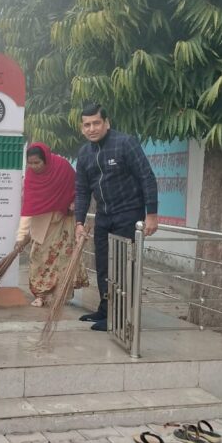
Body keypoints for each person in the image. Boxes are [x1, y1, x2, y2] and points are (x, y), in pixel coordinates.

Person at [74, 104, 159, 331]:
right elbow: (82, 190)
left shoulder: (125, 143)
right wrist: (79, 222)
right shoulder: (84, 153)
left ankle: (119, 317)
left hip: (128, 214)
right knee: (103, 265)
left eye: (96, 123)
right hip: (103, 216)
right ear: (82, 128)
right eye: (87, 125)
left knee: (122, 265)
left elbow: (146, 177)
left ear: (107, 123)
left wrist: (151, 214)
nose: (92, 128)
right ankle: (106, 309)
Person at [17, 143, 87, 306]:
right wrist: (21, 237)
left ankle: (60, 294)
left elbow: (77, 188)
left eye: (37, 162)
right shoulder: (31, 177)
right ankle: (40, 294)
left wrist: (74, 203)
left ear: (46, 159)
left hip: (63, 220)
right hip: (42, 224)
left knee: (63, 257)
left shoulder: (62, 167)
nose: (34, 166)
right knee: (38, 257)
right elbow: (28, 207)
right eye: (30, 163)